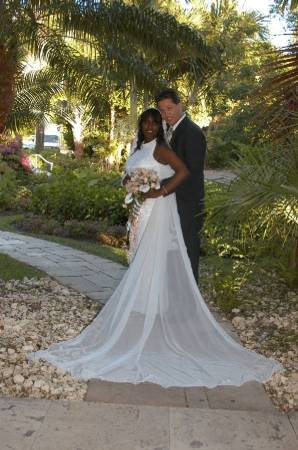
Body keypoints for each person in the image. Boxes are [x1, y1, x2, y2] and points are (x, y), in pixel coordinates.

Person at [28, 108, 282, 388]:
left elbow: (183, 171)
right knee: (139, 256)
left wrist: (160, 189)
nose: (149, 126)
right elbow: (127, 176)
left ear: (159, 126)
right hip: (138, 212)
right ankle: (146, 306)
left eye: (154, 122)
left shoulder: (161, 149)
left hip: (155, 212)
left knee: (151, 258)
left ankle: (153, 310)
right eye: (145, 122)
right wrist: (130, 182)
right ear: (141, 125)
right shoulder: (138, 147)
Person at [156, 88, 206, 283]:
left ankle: (191, 300)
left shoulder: (192, 132)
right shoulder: (169, 130)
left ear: (180, 104)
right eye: (161, 110)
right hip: (174, 201)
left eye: (169, 108)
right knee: (175, 250)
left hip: (189, 203)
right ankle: (177, 293)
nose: (165, 114)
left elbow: (191, 172)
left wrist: (160, 185)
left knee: (188, 250)